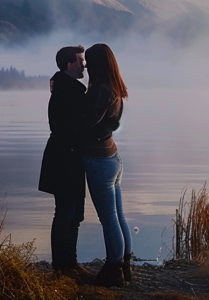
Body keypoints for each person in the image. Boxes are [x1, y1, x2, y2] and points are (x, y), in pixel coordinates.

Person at [38, 45, 94, 283]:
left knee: (75, 213)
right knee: (65, 213)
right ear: (69, 64)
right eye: (81, 61)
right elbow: (73, 126)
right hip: (64, 158)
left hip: (68, 157)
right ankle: (62, 266)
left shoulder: (65, 86)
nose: (84, 65)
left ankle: (70, 262)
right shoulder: (67, 90)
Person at [80, 43, 132, 288]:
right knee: (117, 216)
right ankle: (124, 266)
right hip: (112, 157)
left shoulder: (101, 90)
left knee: (109, 218)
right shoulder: (115, 88)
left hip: (100, 160)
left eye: (89, 62)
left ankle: (114, 269)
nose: (86, 67)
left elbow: (88, 121)